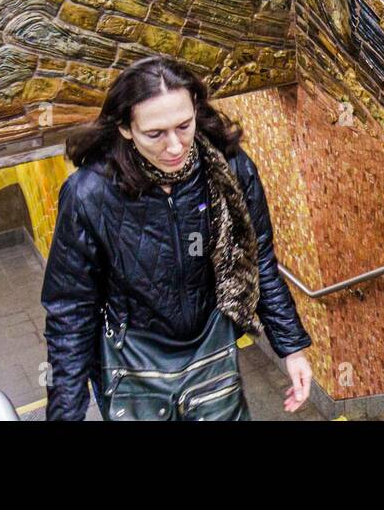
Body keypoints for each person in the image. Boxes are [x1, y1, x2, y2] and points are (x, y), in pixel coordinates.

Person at [40, 55, 313, 420]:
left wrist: (292, 348)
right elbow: (70, 310)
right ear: (124, 128)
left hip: (210, 348)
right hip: (132, 360)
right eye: (155, 134)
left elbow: (257, 257)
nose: (174, 147)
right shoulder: (89, 194)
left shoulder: (229, 168)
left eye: (184, 126)